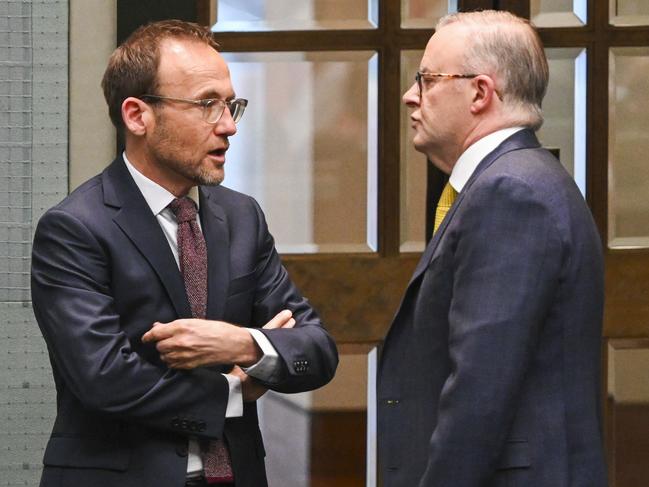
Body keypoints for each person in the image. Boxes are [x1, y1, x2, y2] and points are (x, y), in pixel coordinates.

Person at [31, 20, 338, 487]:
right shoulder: (75, 228)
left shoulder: (242, 217)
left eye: (231, 104)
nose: (230, 125)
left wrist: (242, 344)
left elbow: (316, 349)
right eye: (207, 105)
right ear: (137, 115)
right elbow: (106, 378)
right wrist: (235, 389)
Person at [377, 10, 606, 487]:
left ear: (480, 92)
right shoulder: (516, 180)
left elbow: (480, 389)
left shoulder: (512, 192)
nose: (409, 95)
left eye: (427, 79)